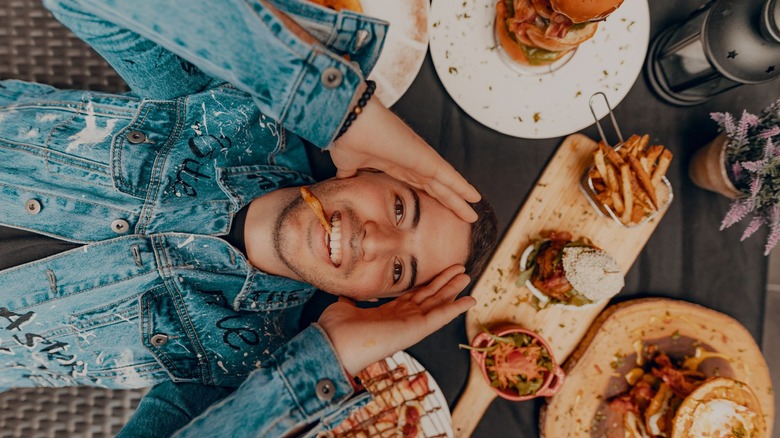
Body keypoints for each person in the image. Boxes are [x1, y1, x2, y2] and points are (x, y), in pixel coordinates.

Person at [0, 0, 498, 435]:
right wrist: (340, 110)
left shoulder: (237, 376)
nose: (374, 242)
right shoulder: (236, 108)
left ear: (368, 300)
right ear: (377, 168)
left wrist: (331, 359)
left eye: (397, 271)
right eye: (398, 209)